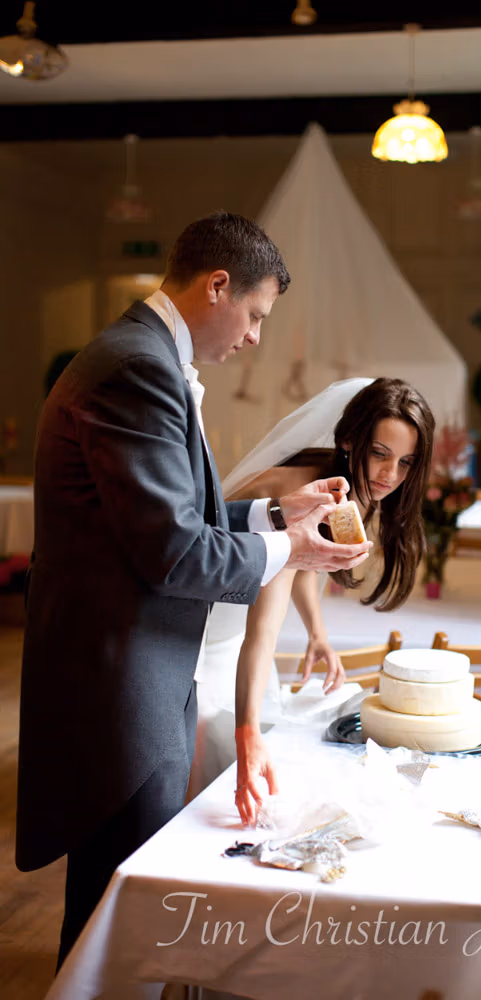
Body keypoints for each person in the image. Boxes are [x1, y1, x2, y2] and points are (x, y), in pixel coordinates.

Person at [15, 210, 371, 969]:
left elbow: (169, 517)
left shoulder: (138, 356)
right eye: (256, 315)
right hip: (119, 684)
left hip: (132, 672)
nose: (253, 337)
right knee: (116, 913)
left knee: (119, 903)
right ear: (218, 286)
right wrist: (290, 551)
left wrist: (282, 512)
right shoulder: (135, 367)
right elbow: (174, 554)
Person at [189, 377, 435, 824]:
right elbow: (261, 632)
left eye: (406, 463)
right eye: (380, 454)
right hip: (202, 637)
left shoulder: (347, 484)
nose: (390, 476)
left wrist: (318, 633)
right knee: (225, 768)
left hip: (242, 627)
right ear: (348, 439)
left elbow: (300, 563)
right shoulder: (297, 494)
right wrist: (245, 733)